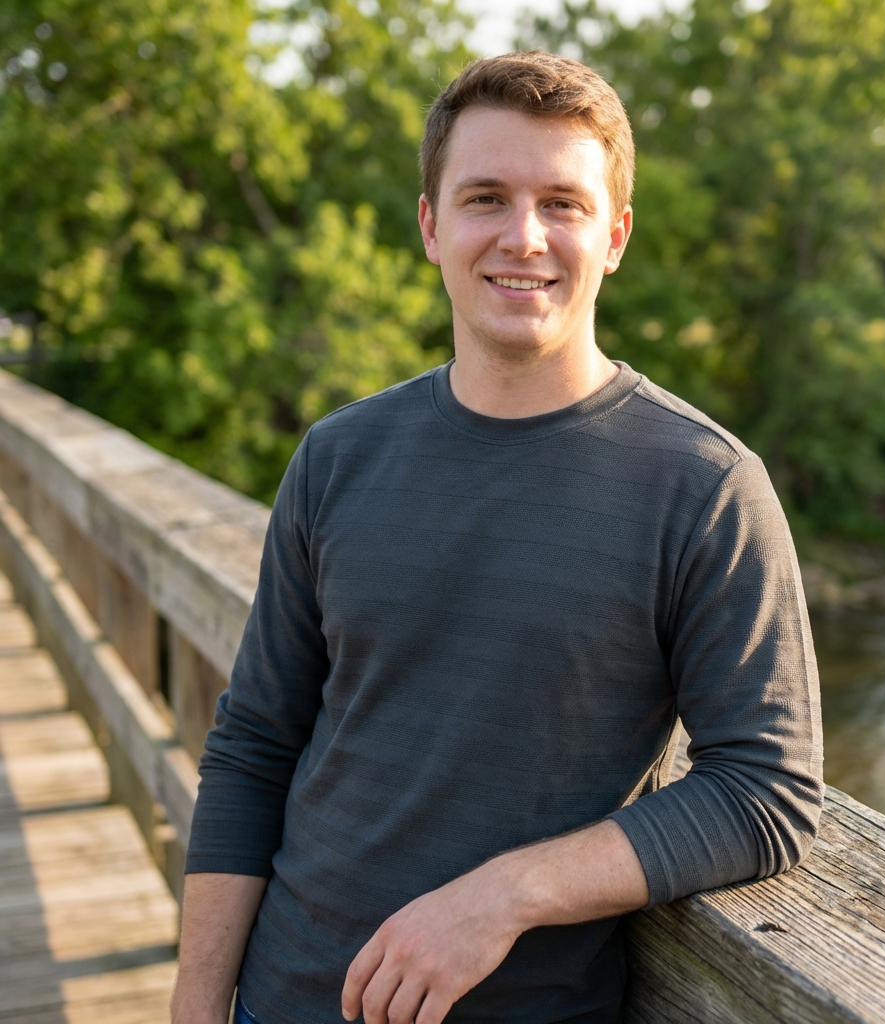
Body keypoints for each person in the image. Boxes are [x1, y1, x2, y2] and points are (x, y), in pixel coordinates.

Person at [171, 51, 824, 1024]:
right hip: (284, 998)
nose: (524, 236)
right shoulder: (338, 456)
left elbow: (766, 790)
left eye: (563, 203)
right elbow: (254, 746)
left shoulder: (705, 485)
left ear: (614, 236)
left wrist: (506, 894)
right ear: (431, 226)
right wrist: (195, 1004)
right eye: (485, 198)